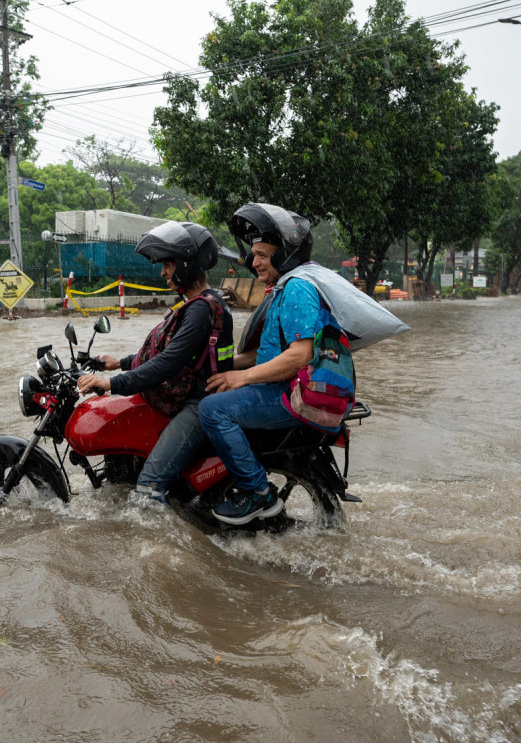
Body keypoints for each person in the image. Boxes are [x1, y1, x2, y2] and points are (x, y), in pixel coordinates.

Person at [77, 221, 235, 502]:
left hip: (198, 404)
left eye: (168, 265)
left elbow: (168, 364)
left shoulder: (201, 309)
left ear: (187, 263)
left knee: (149, 485)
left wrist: (111, 383)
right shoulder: (199, 304)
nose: (163, 272)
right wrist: (120, 363)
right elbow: (165, 353)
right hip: (190, 398)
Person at [199, 203, 335, 525]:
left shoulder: (298, 288)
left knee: (212, 410)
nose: (253, 261)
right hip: (278, 385)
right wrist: (220, 364)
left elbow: (299, 355)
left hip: (288, 394)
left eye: (261, 254)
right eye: (254, 254)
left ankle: (258, 493)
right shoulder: (280, 290)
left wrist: (242, 377)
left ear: (284, 254)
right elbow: (268, 353)